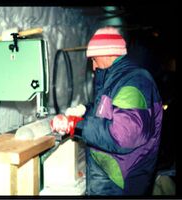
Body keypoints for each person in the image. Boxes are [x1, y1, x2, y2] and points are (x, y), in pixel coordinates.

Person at [50, 26, 163, 195]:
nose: (93, 66)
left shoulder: (134, 81)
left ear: (108, 54)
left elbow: (122, 135)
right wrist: (83, 110)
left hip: (120, 185)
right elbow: (105, 111)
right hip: (108, 180)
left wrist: (75, 125)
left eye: (94, 59)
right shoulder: (115, 79)